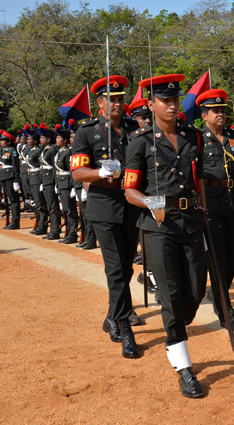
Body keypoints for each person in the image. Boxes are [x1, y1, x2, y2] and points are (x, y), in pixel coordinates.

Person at [124, 73, 208, 398]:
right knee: (173, 299)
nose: (172, 105)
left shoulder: (193, 137)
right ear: (151, 104)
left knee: (197, 292)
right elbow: (130, 189)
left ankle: (170, 306)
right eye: (165, 101)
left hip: (190, 221)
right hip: (158, 227)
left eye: (175, 100)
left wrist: (204, 209)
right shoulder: (140, 143)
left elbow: (197, 177)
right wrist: (149, 201)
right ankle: (183, 365)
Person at [71, 75, 141, 359]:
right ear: (99, 102)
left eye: (121, 98)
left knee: (126, 270)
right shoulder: (86, 132)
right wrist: (100, 173)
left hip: (131, 206)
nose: (117, 103)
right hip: (104, 207)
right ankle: (125, 327)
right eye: (111, 99)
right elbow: (77, 172)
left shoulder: (133, 128)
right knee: (116, 270)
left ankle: (112, 315)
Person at [196, 88, 234, 332]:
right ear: (204, 115)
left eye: (222, 111)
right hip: (211, 205)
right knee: (216, 260)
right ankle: (226, 310)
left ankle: (217, 294)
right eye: (215, 111)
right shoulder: (197, 139)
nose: (220, 115)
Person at [70, 126, 97, 250]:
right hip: (77, 186)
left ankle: (91, 240)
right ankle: (87, 238)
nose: (71, 139)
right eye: (70, 137)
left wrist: (83, 188)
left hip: (85, 187)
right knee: (83, 215)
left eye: (73, 137)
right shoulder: (73, 151)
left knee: (88, 215)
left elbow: (87, 170)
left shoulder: (87, 151)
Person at [54, 128, 79, 244]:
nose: (57, 140)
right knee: (65, 210)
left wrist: (73, 186)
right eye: (57, 137)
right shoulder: (60, 151)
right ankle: (69, 232)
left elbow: (71, 170)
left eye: (59, 138)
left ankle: (73, 234)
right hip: (60, 182)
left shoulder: (68, 152)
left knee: (70, 209)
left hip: (67, 183)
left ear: (65, 140)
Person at [39, 128, 61, 240]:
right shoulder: (45, 149)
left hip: (51, 181)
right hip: (46, 180)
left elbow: (55, 167)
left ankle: (55, 230)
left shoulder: (52, 150)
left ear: (48, 140)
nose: (40, 139)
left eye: (42, 138)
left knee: (53, 206)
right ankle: (53, 229)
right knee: (50, 205)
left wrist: (56, 183)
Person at [26, 131, 48, 235]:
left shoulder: (38, 151)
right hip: (32, 178)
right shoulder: (31, 150)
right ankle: (39, 224)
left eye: (29, 139)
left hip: (37, 178)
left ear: (34, 141)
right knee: (37, 203)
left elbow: (41, 166)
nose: (27, 141)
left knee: (40, 203)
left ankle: (42, 226)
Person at [0, 131, 21, 230]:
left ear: (9, 142)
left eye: (3, 140)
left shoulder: (12, 150)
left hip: (10, 177)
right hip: (3, 177)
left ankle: (15, 222)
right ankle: (12, 222)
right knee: (9, 200)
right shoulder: (3, 150)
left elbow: (16, 167)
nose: (1, 142)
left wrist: (16, 181)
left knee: (14, 200)